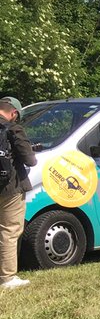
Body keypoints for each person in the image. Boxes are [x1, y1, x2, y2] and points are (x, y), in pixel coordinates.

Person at [0, 96, 36, 290]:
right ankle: (7, 278)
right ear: (13, 113)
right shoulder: (13, 129)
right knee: (9, 230)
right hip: (9, 187)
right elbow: (30, 160)